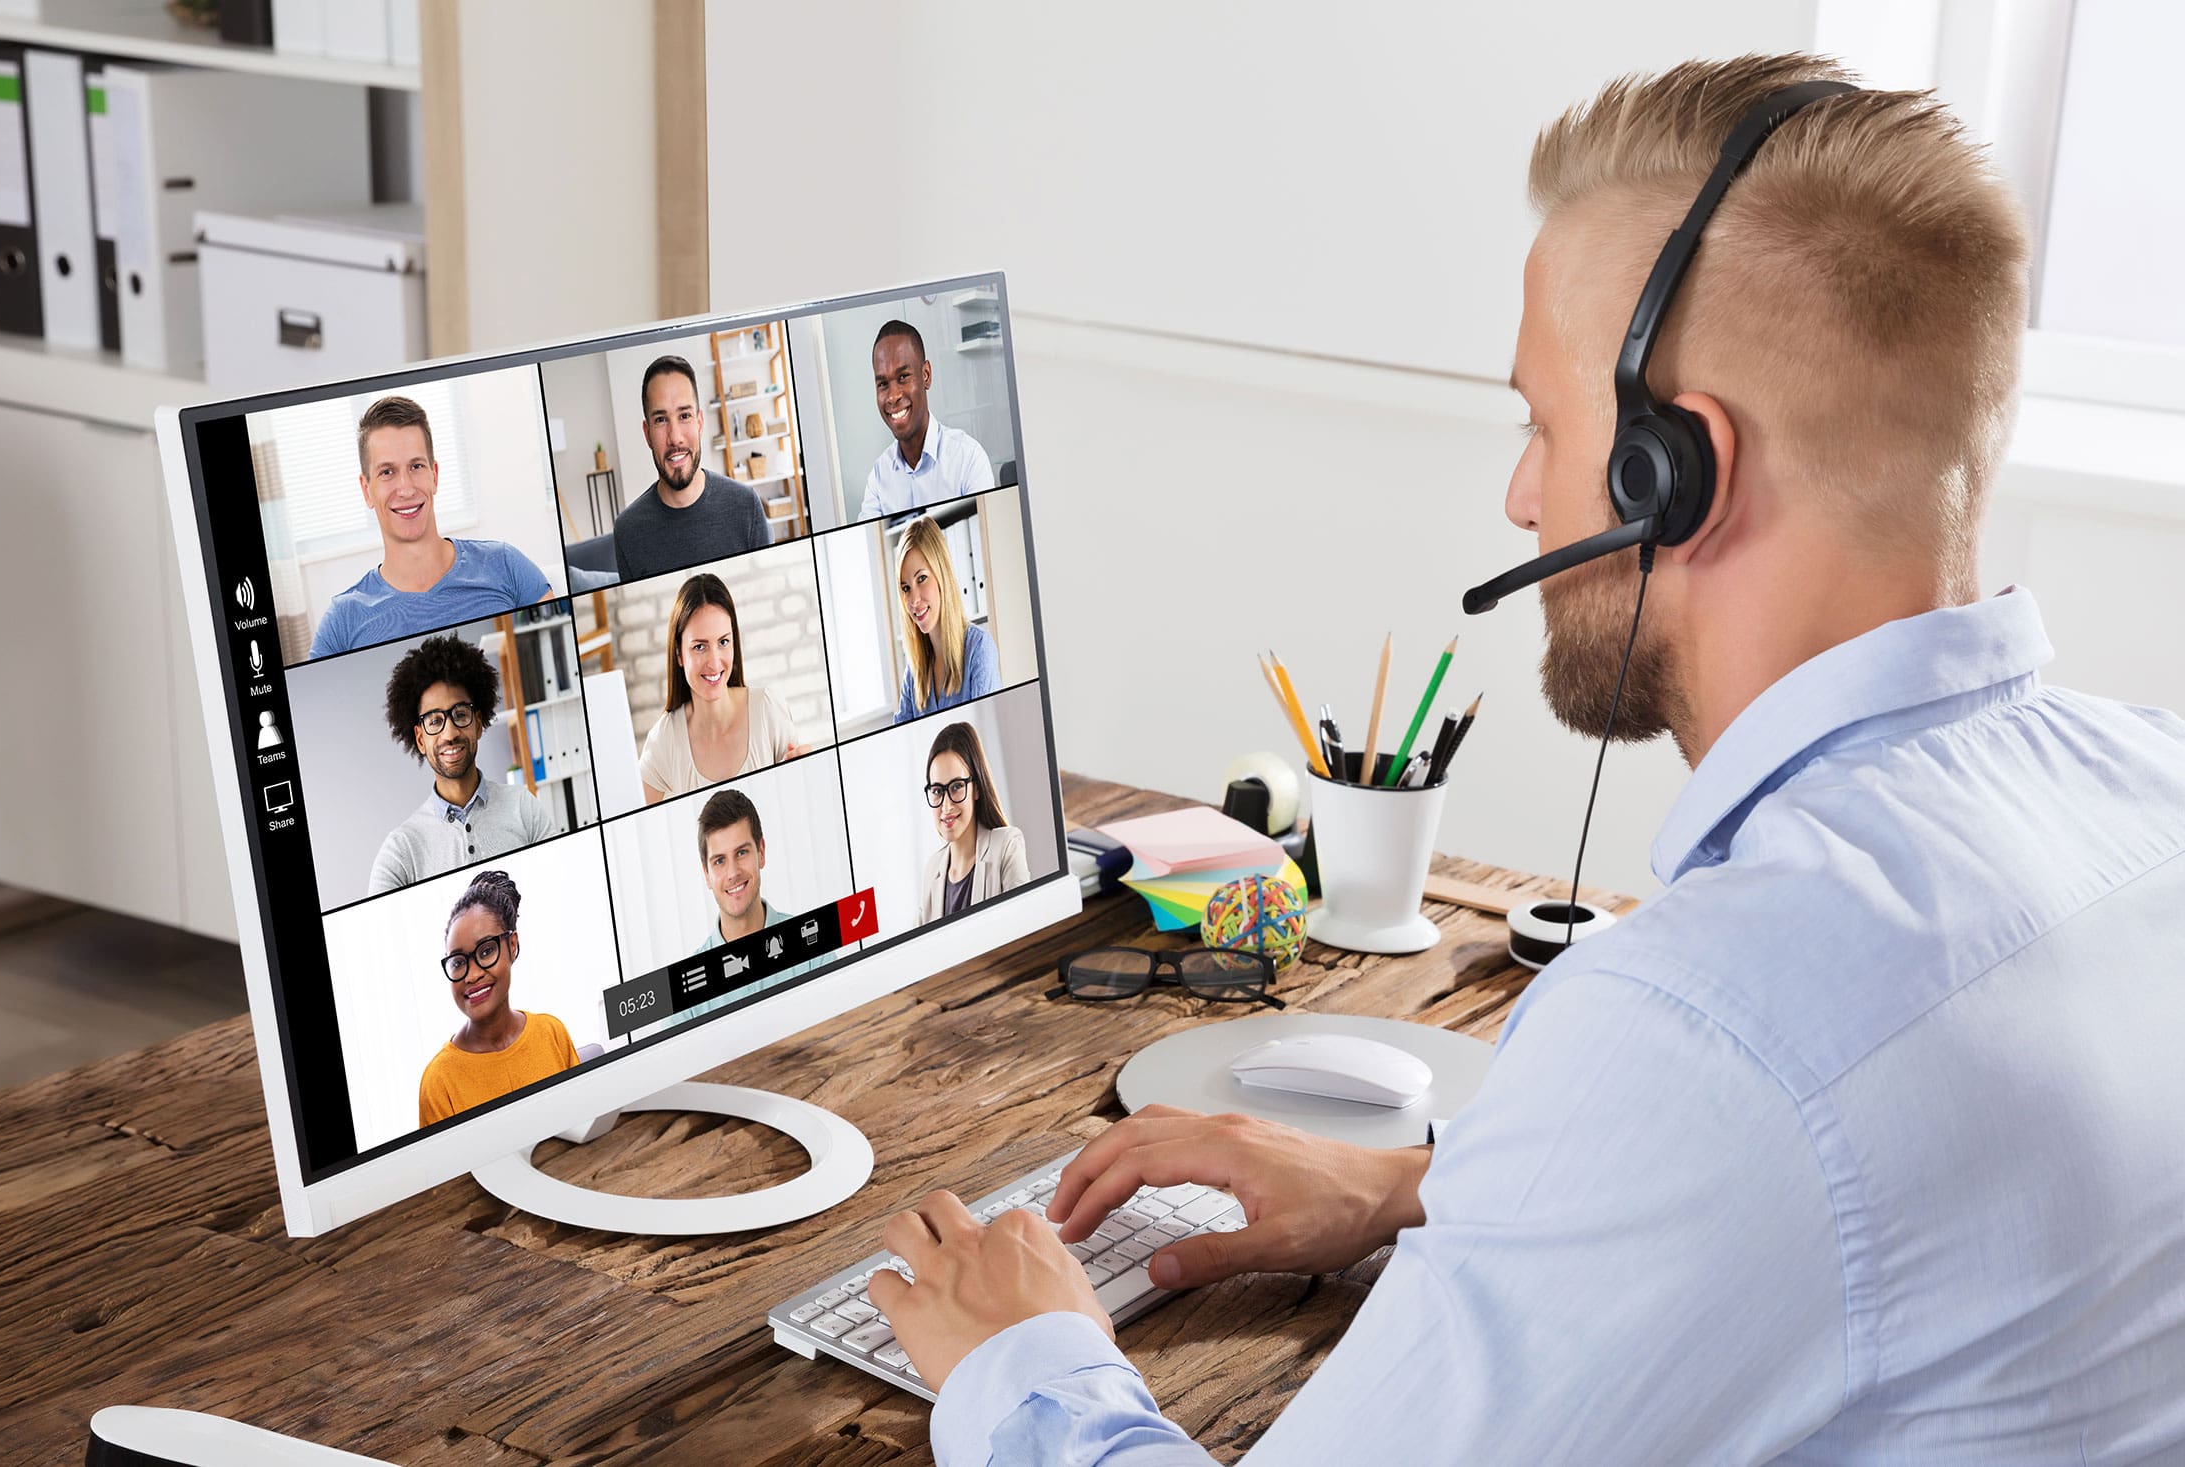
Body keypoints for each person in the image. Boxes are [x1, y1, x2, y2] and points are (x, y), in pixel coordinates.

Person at [866, 56, 2185, 1464]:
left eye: (1544, 426)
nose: (1516, 492)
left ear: (1670, 475)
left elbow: (1763, 1132)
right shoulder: (2147, 790)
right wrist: (1435, 1185)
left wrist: (1027, 1354)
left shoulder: (1713, 1029)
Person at [307, 395, 555, 658]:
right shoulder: (342, 621)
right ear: (366, 490)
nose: (405, 489)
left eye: (416, 466)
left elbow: (556, 647)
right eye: (387, 472)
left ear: (434, 475)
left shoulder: (504, 563)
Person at [370, 633, 556, 895]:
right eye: (435, 721)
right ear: (420, 739)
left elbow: (559, 884)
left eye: (460, 714)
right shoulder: (401, 851)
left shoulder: (523, 807)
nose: (449, 733)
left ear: (478, 724)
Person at [662, 788, 834, 1028]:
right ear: (706, 874)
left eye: (741, 852)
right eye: (719, 861)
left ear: (761, 852)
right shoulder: (683, 997)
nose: (733, 873)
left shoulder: (815, 949)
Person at [417, 870, 577, 1126]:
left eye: (487, 950)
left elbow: (584, 1123)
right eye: (458, 962)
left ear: (512, 945)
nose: (473, 974)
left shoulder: (552, 1034)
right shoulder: (439, 1080)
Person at [639, 573, 807, 803]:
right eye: (699, 647)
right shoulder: (665, 739)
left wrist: (809, 772)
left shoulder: (767, 709)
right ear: (679, 653)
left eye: (723, 642)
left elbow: (800, 799)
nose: (715, 662)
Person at [610, 355, 772, 582]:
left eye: (684, 416)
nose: (675, 437)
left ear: (699, 423)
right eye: (661, 420)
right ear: (647, 434)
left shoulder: (745, 506)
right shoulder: (628, 531)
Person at [856, 319, 996, 520]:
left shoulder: (968, 459)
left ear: (926, 375)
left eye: (903, 377)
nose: (893, 396)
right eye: (883, 384)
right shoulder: (878, 477)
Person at [917, 721, 1028, 924]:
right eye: (937, 791)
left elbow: (1023, 927)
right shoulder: (932, 870)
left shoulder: (1007, 846)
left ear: (976, 788)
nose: (946, 806)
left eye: (957, 786)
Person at [892, 515, 1000, 724]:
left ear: (942, 574)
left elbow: (985, 732)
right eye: (906, 588)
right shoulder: (913, 674)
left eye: (921, 578)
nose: (913, 600)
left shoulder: (979, 650)